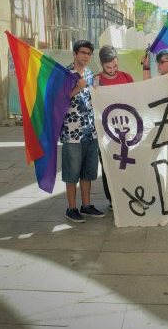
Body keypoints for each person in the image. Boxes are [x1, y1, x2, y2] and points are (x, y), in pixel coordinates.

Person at [61, 40, 105, 223]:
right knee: (72, 174)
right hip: (72, 133)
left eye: (89, 53)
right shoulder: (65, 73)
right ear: (75, 53)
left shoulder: (89, 73)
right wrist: (78, 87)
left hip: (90, 132)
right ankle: (71, 208)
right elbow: (58, 100)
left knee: (88, 172)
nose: (86, 56)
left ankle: (86, 206)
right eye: (83, 53)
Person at [95, 45, 134, 210]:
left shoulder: (126, 77)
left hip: (126, 129)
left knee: (127, 165)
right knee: (108, 165)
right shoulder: (96, 80)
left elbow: (136, 99)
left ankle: (128, 194)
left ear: (118, 61)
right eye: (108, 67)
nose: (112, 70)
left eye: (115, 66)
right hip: (105, 131)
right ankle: (112, 199)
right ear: (102, 65)